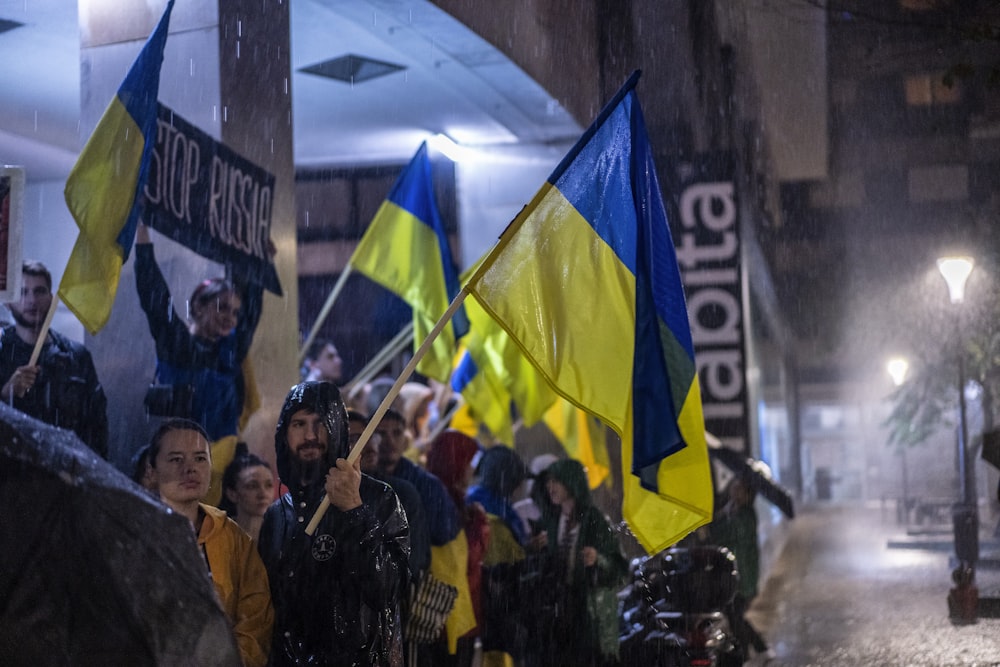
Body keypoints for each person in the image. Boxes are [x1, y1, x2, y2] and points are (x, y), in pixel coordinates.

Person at [257, 381, 410, 667]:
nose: (310, 436)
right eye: (299, 424)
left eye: (320, 424)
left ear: (337, 429)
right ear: (284, 434)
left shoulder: (379, 499)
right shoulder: (278, 515)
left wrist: (354, 510)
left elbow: (388, 589)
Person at [134, 223, 264, 504]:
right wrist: (142, 242)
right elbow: (155, 299)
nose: (230, 317)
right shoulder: (178, 344)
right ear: (198, 306)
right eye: (222, 307)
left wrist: (256, 258)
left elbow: (251, 316)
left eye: (234, 312)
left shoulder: (229, 351)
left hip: (224, 471)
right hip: (182, 466)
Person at [145, 418, 273, 667]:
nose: (190, 469)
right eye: (175, 459)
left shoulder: (231, 537)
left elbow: (257, 619)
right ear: (151, 471)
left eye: (200, 458)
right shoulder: (133, 532)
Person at [0, 260, 108, 458]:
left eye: (40, 291)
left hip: (66, 472)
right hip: (12, 475)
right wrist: (6, 396)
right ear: (8, 301)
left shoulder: (76, 357)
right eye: (23, 292)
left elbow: (96, 424)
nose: (32, 300)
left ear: (51, 298)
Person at [531, 459, 627, 667]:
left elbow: (619, 569)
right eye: (548, 481)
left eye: (556, 481)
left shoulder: (595, 520)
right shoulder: (551, 521)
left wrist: (597, 560)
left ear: (571, 482)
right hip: (558, 616)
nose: (550, 487)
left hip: (588, 618)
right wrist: (538, 549)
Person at [424, 430, 489, 667]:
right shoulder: (443, 501)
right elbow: (462, 559)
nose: (472, 470)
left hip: (445, 614)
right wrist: (480, 526)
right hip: (449, 616)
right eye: (468, 461)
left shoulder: (440, 495)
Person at [466, 445, 531, 667]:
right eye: (518, 481)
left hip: (482, 615)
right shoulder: (493, 516)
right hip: (493, 618)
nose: (520, 488)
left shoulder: (476, 501)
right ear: (508, 480)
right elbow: (504, 564)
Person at [707, 474, 772, 664]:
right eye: (733, 487)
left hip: (744, 577)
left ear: (748, 494)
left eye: (739, 489)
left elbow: (728, 535)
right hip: (732, 576)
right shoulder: (731, 511)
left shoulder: (746, 515)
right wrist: (723, 516)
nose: (734, 492)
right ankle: (758, 650)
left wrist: (716, 525)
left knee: (736, 617)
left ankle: (750, 654)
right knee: (735, 616)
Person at [375, 408, 460, 548]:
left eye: (397, 433)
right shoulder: (359, 481)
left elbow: (441, 533)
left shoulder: (427, 484)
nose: (390, 441)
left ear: (405, 438)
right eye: (381, 434)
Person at [220, 451, 275, 542]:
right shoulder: (217, 537)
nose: (263, 494)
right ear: (232, 494)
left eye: (269, 485)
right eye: (252, 486)